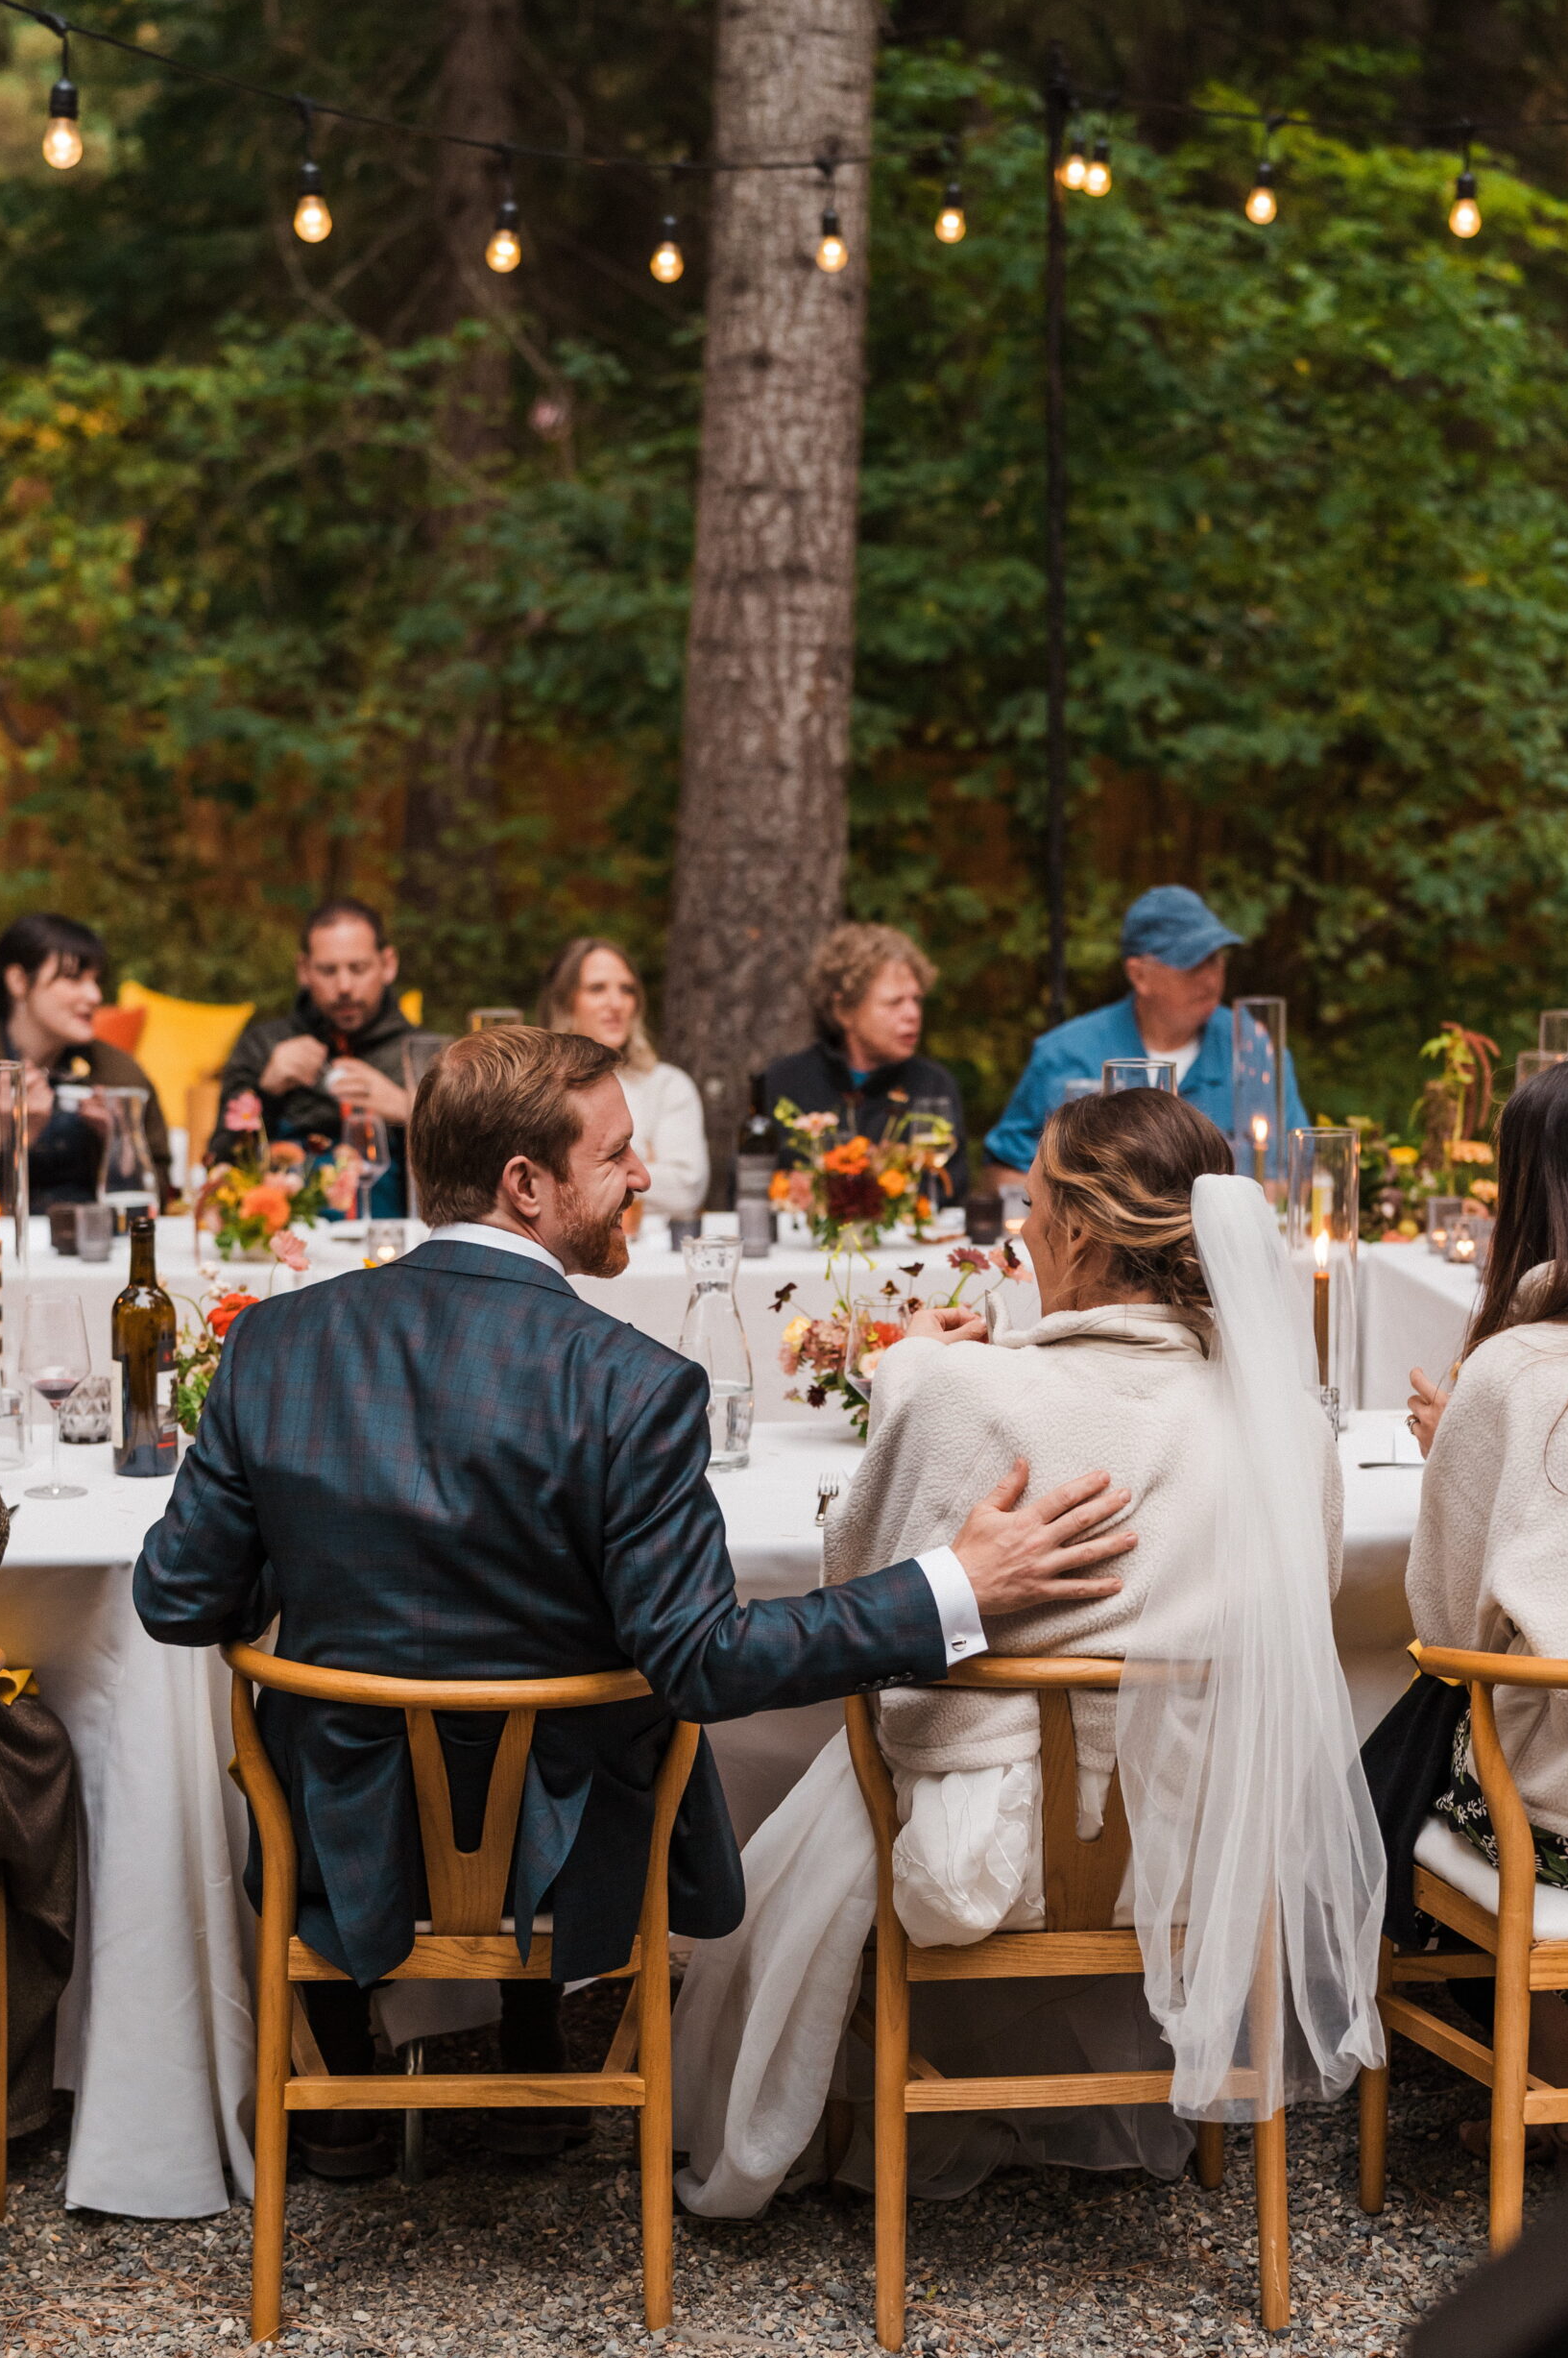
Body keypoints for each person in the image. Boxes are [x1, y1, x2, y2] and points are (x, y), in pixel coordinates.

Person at [133, 1024, 1137, 2177]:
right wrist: (953, 1586)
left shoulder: (273, 1346)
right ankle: (528, 2036)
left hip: (339, 1831)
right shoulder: (632, 1385)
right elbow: (707, 1660)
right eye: (616, 1156)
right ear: (526, 1184)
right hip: (570, 1849)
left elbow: (177, 1597)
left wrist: (310, 1542)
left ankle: (369, 2066)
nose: (645, 1175)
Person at [673, 1088, 1382, 2218]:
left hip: (978, 1866)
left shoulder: (965, 1392)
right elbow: (1305, 1613)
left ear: (1081, 1234)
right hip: (1200, 1859)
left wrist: (914, 1375)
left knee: (806, 1774)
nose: (1022, 1227)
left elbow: (858, 1594)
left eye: (1033, 1201)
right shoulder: (1289, 1425)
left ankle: (825, 2095)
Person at [1399, 1056, 1568, 2162]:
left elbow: (1443, 1632)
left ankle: (1520, 2072)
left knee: (1386, 1766)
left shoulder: (1513, 1370)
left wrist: (1457, 1466)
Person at [984, 885, 1310, 1172]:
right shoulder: (1065, 1053)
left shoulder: (1254, 1047)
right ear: (1139, 975)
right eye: (1191, 964)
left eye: (1215, 960)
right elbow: (1003, 1173)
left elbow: (1303, 1170)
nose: (1211, 979)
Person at [210, 901, 416, 1216]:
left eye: (358, 968)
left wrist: (409, 1110)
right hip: (287, 1242)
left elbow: (474, 1180)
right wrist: (266, 1093)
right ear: (303, 970)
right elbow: (220, 1164)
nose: (344, 986)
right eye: (327, 970)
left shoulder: (423, 1055)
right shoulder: (262, 1045)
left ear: (388, 964)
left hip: (397, 1239)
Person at [760, 923, 969, 1203]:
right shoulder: (784, 1081)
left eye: (916, 1000)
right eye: (894, 1002)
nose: (913, 1013)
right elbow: (753, 1189)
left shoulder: (933, 1084)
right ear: (845, 1010)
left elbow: (951, 1193)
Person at [0, 913, 171, 1208]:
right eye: (73, 978)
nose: (94, 995)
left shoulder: (119, 1071)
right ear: (18, 981)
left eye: (95, 980)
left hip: (99, 1246)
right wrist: (5, 1136)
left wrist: (119, 1143)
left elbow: (158, 1196)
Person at [538, 936, 708, 1221]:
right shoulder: (536, 1085)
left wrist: (573, 1168)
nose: (616, 1003)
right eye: (597, 988)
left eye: (627, 990)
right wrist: (640, 1158)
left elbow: (684, 1191)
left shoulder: (666, 1085)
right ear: (565, 1002)